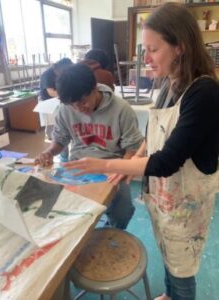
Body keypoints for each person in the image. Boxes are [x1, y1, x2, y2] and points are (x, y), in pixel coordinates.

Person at [63, 3, 219, 300]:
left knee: (182, 266)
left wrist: (109, 166)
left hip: (186, 201)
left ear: (179, 48)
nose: (145, 58)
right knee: (167, 252)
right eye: (144, 49)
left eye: (153, 49)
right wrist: (133, 160)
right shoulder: (170, 84)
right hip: (164, 197)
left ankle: (179, 295)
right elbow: (153, 136)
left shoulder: (205, 92)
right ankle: (171, 295)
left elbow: (167, 161)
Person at [35, 63, 144, 230]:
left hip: (112, 165)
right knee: (57, 208)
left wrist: (121, 169)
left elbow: (132, 148)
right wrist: (49, 152)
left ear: (94, 88)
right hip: (78, 164)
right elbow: (60, 140)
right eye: (73, 105)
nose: (79, 109)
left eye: (82, 101)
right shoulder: (65, 109)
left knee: (123, 212)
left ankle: (111, 229)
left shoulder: (122, 109)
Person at [39, 57, 73, 161]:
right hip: (48, 103)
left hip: (60, 102)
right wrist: (67, 94)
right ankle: (60, 156)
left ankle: (64, 155)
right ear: (59, 68)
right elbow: (51, 92)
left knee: (62, 129)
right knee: (53, 131)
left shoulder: (63, 74)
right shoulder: (47, 74)